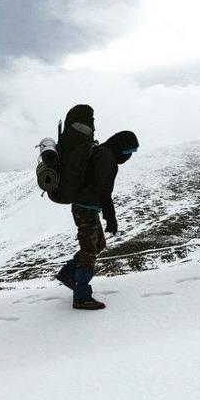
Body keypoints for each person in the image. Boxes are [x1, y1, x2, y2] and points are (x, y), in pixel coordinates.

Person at [55, 130, 139, 310]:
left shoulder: (103, 153)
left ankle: (67, 274)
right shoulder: (106, 157)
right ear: (121, 147)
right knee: (89, 251)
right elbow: (103, 190)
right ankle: (82, 297)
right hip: (85, 208)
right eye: (128, 151)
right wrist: (111, 217)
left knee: (98, 244)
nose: (129, 156)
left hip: (88, 207)